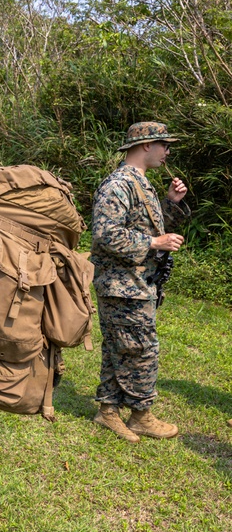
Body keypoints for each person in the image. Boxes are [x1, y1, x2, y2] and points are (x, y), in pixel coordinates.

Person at [90, 121, 191, 442]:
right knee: (142, 349)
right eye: (164, 144)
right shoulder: (119, 184)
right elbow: (105, 234)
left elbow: (145, 227)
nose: (168, 151)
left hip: (135, 283)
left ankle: (108, 411)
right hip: (122, 284)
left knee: (120, 348)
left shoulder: (140, 183)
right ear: (146, 145)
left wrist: (171, 204)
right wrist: (153, 244)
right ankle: (140, 415)